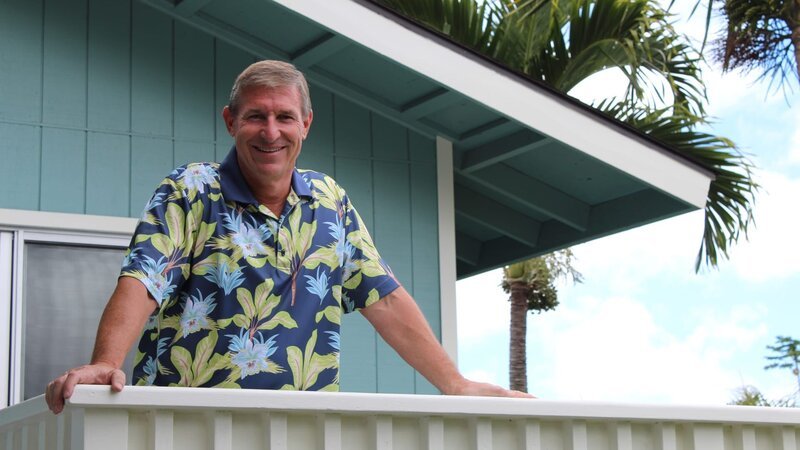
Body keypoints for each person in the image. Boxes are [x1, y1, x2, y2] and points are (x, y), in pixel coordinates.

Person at [45, 60, 530, 414]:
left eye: (284, 117)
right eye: (256, 116)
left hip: (299, 430)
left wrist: (454, 383)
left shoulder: (330, 200)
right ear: (231, 121)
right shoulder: (190, 189)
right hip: (185, 425)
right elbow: (144, 278)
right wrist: (105, 362)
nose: (270, 131)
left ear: (306, 125)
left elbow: (383, 299)